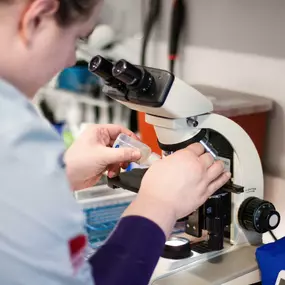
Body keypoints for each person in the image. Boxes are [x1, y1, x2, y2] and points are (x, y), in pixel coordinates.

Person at [0, 0, 231, 284]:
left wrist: (60, 176)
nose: (72, 60)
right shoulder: (14, 137)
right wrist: (159, 204)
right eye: (76, 38)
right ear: (38, 16)